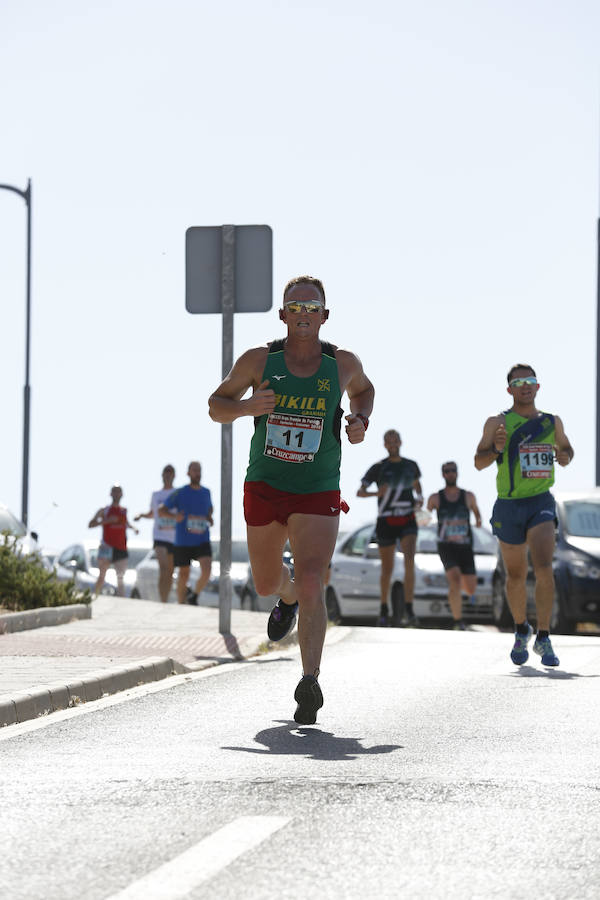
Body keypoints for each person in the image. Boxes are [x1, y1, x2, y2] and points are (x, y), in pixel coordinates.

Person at [208, 275, 374, 725]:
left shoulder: (342, 363)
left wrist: (360, 419)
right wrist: (247, 407)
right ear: (282, 315)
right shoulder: (259, 360)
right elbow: (216, 405)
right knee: (266, 583)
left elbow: (364, 391)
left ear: (325, 315)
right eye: (295, 307)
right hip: (266, 483)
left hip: (318, 486)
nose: (303, 314)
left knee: (312, 578)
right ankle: (287, 599)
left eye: (311, 307)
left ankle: (309, 681)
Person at [474, 363, 574, 667]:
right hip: (508, 504)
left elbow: (567, 451)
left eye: (530, 380)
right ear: (510, 390)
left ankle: (544, 636)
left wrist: (563, 456)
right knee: (515, 574)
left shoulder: (552, 422)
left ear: (538, 386)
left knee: (543, 567)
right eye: (518, 383)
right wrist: (496, 449)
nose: (525, 386)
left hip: (540, 500)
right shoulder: (497, 422)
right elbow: (478, 462)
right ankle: (521, 629)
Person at [357, 430, 423, 627]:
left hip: (407, 518)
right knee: (387, 568)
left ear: (401, 442)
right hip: (386, 520)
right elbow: (360, 492)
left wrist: (420, 498)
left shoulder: (411, 465)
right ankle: (384, 608)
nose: (393, 445)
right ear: (384, 445)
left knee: (410, 561)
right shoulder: (378, 467)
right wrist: (376, 493)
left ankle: (409, 609)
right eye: (389, 442)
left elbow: (417, 486)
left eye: (395, 441)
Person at [426, 461, 482, 630]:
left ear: (457, 473)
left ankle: (455, 593)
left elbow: (477, 513)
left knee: (470, 588)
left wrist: (478, 520)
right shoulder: (436, 498)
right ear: (443, 474)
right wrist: (421, 514)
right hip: (446, 546)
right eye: (447, 471)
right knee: (455, 580)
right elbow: (425, 516)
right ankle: (458, 621)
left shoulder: (468, 496)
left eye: (453, 470)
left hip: (465, 546)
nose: (450, 473)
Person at [158, 462, 214, 605]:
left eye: (199, 470)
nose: (197, 473)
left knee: (207, 570)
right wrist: (174, 517)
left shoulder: (206, 492)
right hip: (183, 540)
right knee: (184, 574)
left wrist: (209, 517)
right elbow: (161, 510)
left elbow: (209, 508)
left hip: (202, 539)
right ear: (188, 473)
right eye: (194, 470)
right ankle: (181, 603)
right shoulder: (180, 492)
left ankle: (194, 596)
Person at [134, 464, 176, 603]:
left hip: (174, 537)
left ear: (174, 475)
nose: (168, 475)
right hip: (159, 536)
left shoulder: (177, 493)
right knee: (163, 568)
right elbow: (153, 513)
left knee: (170, 571)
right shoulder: (156, 495)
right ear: (162, 475)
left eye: (170, 472)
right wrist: (141, 515)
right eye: (166, 472)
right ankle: (162, 600)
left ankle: (166, 598)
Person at [88, 485, 139, 596]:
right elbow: (90, 524)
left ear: (122, 494)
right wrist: (106, 521)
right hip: (106, 546)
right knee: (102, 576)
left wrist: (134, 528)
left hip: (121, 547)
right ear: (110, 494)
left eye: (118, 491)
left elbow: (126, 523)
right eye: (114, 491)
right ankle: (94, 597)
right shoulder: (104, 510)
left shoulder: (123, 511)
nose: (116, 494)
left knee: (120, 578)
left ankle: (121, 602)